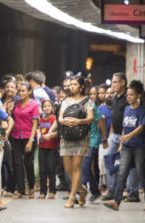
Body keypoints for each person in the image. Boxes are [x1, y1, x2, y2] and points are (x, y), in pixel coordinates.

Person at [104, 80, 145, 212]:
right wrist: (121, 143)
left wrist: (129, 136)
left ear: (138, 95)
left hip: (140, 147)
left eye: (131, 95)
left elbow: (141, 126)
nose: (128, 97)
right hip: (126, 146)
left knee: (141, 174)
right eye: (128, 95)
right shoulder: (126, 109)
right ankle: (116, 201)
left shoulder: (142, 109)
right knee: (122, 173)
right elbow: (124, 128)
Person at [58, 75, 95, 208]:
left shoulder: (87, 101)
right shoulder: (66, 101)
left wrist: (78, 121)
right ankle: (82, 189)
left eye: (74, 84)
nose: (71, 86)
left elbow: (91, 118)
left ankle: (72, 197)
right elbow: (60, 117)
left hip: (81, 136)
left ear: (81, 86)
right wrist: (65, 121)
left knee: (76, 167)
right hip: (66, 136)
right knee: (68, 169)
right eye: (70, 84)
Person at [9, 82, 40, 198]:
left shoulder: (34, 105)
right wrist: (9, 111)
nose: (21, 93)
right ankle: (21, 190)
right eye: (19, 91)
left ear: (29, 92)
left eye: (23, 91)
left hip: (29, 137)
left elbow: (35, 124)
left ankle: (31, 186)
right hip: (16, 137)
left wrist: (31, 140)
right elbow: (12, 118)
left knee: (28, 163)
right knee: (17, 164)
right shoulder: (16, 103)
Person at [101, 73, 129, 201]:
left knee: (125, 164)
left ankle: (129, 190)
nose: (113, 85)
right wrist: (110, 135)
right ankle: (111, 190)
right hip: (115, 134)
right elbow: (115, 118)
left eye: (115, 82)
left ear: (123, 82)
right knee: (108, 158)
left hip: (126, 135)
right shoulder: (114, 98)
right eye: (112, 82)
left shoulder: (127, 98)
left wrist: (122, 142)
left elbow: (126, 121)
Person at [82, 87, 108, 202]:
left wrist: (104, 139)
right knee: (86, 166)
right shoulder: (71, 103)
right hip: (80, 140)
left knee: (86, 164)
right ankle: (95, 191)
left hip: (92, 139)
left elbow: (101, 120)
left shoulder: (91, 104)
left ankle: (80, 190)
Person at [37, 99, 59, 199]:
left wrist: (50, 135)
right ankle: (42, 191)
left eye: (49, 106)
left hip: (52, 148)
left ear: (52, 108)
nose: (47, 108)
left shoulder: (54, 118)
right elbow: (39, 131)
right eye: (45, 106)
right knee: (42, 170)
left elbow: (57, 133)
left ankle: (52, 191)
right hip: (42, 147)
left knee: (51, 168)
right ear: (42, 109)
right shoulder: (41, 120)